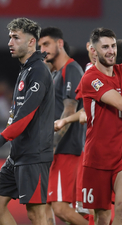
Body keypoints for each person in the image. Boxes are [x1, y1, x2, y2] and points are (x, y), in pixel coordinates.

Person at [0, 17, 54, 225]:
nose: (10, 43)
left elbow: (26, 114)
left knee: (36, 215)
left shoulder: (38, 71)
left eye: (15, 38)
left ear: (31, 42)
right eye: (10, 38)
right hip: (17, 155)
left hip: (34, 155)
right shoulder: (26, 70)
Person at [79, 28, 122, 225]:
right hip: (98, 157)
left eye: (113, 46)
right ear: (94, 51)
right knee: (102, 216)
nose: (111, 51)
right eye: (105, 47)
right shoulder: (90, 78)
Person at [38, 27, 87, 225]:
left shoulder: (71, 69)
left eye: (46, 44)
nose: (43, 49)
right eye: (40, 46)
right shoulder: (57, 74)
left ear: (59, 43)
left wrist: (52, 147)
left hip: (67, 149)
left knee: (60, 208)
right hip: (60, 149)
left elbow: (69, 110)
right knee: (46, 205)